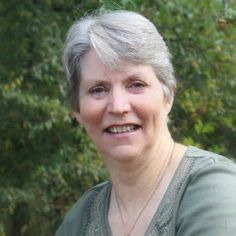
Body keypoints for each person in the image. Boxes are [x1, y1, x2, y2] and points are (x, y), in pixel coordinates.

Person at [55, 10, 236, 236]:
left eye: (136, 84)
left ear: (168, 95)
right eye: (98, 89)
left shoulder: (215, 191)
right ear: (77, 110)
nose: (118, 106)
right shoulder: (80, 219)